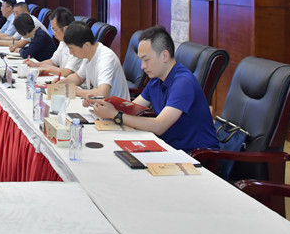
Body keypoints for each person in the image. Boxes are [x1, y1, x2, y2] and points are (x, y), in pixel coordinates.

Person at [91, 25, 219, 152]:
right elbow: (131, 108)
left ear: (164, 56)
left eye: (146, 60)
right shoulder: (156, 79)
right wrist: (103, 105)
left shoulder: (183, 82)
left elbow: (159, 126)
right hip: (168, 146)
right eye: (141, 60)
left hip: (195, 154)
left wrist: (115, 115)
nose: (142, 66)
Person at [57, 22, 130, 99]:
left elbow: (102, 93)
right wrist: (63, 82)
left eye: (71, 48)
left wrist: (76, 91)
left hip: (115, 105)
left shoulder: (106, 58)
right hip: (98, 103)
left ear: (86, 45)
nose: (70, 53)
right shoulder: (88, 54)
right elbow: (78, 77)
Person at [26, 7, 83, 77]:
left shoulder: (77, 45)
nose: (53, 34)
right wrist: (36, 65)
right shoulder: (63, 41)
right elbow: (53, 62)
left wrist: (49, 68)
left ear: (65, 29)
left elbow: (67, 72)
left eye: (55, 30)